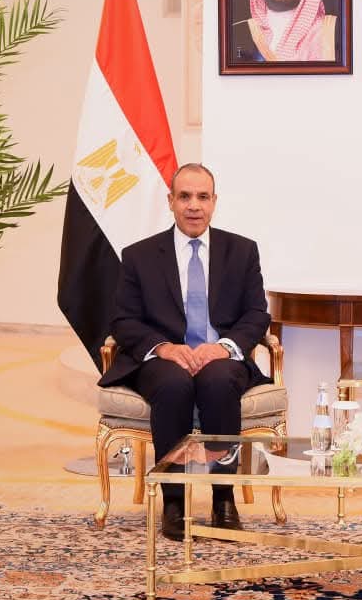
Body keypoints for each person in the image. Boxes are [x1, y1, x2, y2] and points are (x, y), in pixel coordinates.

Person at [99, 163, 271, 540]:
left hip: (220, 358)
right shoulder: (139, 255)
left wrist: (224, 347)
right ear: (171, 201)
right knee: (174, 384)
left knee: (218, 382)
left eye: (202, 197)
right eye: (185, 196)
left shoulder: (241, 251)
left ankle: (223, 499)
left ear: (214, 202)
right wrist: (163, 347)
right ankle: (174, 502)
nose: (194, 205)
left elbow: (257, 314)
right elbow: (123, 320)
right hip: (163, 360)